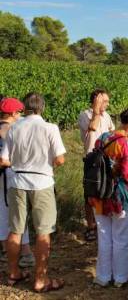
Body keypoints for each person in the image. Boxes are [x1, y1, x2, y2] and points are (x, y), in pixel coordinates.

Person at [0, 92, 66, 293]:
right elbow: (60, 159)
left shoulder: (14, 128)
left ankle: (13, 272)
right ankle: (40, 279)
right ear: (41, 108)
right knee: (43, 230)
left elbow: (4, 159)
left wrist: (21, 164)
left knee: (15, 229)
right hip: (42, 181)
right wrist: (48, 164)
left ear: (25, 108)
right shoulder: (49, 128)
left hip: (18, 181)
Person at [89, 107, 128, 288]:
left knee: (104, 237)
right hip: (119, 196)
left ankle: (103, 277)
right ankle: (121, 278)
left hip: (99, 196)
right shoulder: (125, 144)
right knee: (121, 238)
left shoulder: (102, 138)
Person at [0, 98, 34, 267]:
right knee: (19, 213)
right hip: (9, 176)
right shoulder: (9, 130)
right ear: (13, 113)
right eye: (19, 112)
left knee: (2, 212)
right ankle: (25, 252)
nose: (21, 115)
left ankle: (6, 250)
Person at [78, 89, 115, 242]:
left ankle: (104, 223)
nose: (106, 104)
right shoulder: (85, 115)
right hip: (91, 159)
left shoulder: (106, 116)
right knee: (90, 193)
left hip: (106, 158)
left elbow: (111, 132)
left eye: (106, 101)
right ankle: (91, 226)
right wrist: (96, 110)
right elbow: (93, 127)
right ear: (95, 101)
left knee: (106, 190)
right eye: (103, 101)